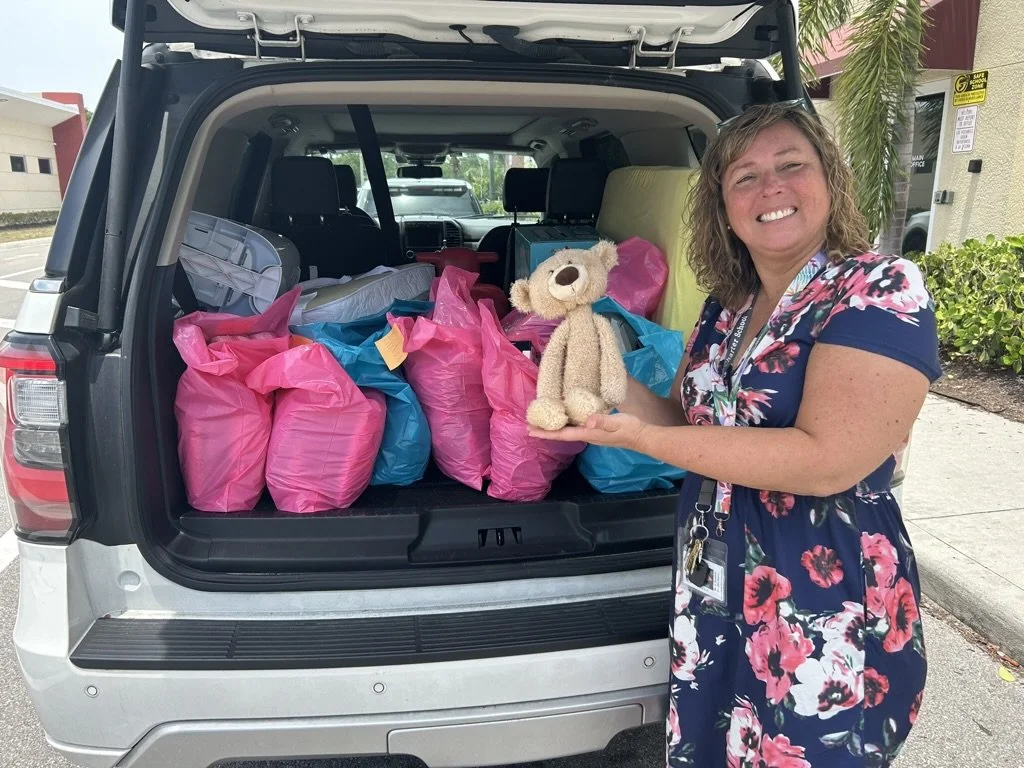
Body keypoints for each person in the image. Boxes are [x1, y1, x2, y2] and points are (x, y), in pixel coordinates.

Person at [530, 101, 941, 767]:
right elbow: (680, 419)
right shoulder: (729, 306)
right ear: (723, 209)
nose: (770, 187)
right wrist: (590, 353)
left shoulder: (878, 289)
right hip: (718, 582)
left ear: (829, 181)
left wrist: (637, 441)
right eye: (744, 177)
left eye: (791, 166)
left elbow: (825, 461)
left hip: (820, 597)